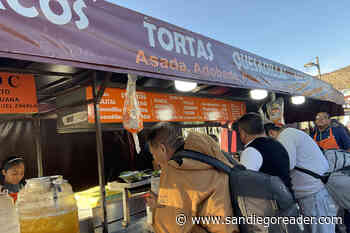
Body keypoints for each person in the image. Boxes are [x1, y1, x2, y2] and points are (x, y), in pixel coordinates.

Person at [146, 123, 239, 233]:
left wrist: (158, 208)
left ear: (162, 149)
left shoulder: (175, 169)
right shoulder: (206, 152)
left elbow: (170, 227)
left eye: (153, 154)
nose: (155, 160)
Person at [265, 123, 339, 233]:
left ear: (271, 133)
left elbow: (287, 164)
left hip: (315, 196)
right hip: (313, 195)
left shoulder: (285, 136)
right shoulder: (292, 134)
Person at [236, 113, 293, 193]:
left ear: (243, 133)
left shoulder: (252, 150)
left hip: (270, 202)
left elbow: (243, 184)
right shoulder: (278, 144)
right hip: (287, 198)